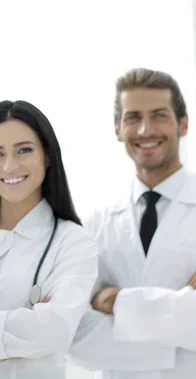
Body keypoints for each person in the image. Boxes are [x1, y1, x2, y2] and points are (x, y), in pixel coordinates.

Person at [0, 100, 98, 378]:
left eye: (24, 150)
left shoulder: (73, 242)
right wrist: (22, 335)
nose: (10, 166)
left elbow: (54, 331)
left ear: (47, 155)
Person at [69, 68, 196, 378]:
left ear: (183, 123)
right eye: (132, 117)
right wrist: (180, 332)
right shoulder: (95, 224)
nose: (145, 130)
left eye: (159, 115)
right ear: (117, 129)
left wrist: (118, 303)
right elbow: (77, 338)